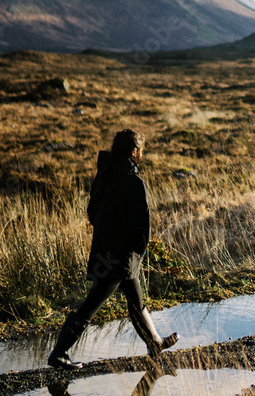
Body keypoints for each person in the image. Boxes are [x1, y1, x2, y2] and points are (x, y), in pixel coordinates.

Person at [48, 129, 178, 369]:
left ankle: (155, 342)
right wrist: (138, 251)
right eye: (141, 151)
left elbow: (92, 213)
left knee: (135, 300)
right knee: (93, 303)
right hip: (122, 255)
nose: (142, 155)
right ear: (133, 152)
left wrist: (108, 235)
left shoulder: (104, 176)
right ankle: (58, 353)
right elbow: (142, 224)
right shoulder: (134, 182)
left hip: (105, 251)